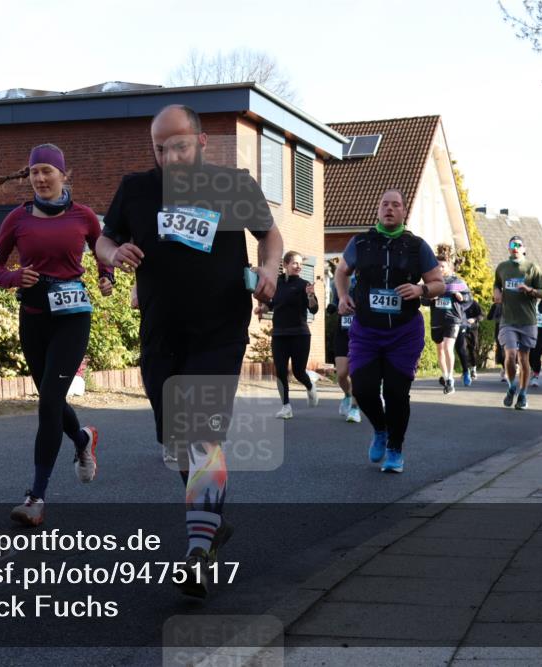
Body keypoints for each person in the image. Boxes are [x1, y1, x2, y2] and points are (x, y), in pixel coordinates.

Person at [95, 104, 284, 598]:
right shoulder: (135, 189)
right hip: (161, 333)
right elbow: (104, 238)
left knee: (199, 432)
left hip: (219, 329)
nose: (169, 156)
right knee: (177, 443)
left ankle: (197, 550)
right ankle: (210, 518)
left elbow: (270, 236)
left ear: (201, 142)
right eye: (160, 147)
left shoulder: (233, 185)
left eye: (178, 144)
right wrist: (114, 254)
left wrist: (268, 270)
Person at [0, 144, 115, 526]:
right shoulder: (18, 218)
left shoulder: (84, 216)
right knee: (49, 395)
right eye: (34, 173)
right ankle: (81, 440)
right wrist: (13, 277)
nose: (41, 179)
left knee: (48, 403)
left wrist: (107, 277)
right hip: (34, 316)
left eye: (47, 171)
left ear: (64, 174)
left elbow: (101, 250)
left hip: (73, 316)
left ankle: (36, 497)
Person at [335, 189, 444, 473]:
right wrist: (343, 296)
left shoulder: (417, 246)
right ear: (378, 209)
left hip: (404, 332)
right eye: (385, 204)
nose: (390, 208)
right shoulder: (361, 242)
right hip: (366, 330)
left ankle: (395, 450)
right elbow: (341, 271)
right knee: (363, 387)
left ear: (404, 211)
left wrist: (421, 289)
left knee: (397, 393)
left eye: (396, 205)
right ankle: (381, 429)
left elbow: (439, 283)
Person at [257, 251, 319, 419]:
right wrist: (261, 309)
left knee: (298, 372)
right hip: (279, 335)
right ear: (284, 265)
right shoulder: (276, 284)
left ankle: (309, 385)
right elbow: (270, 304)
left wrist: (311, 295)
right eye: (294, 263)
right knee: (281, 371)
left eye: (300, 263)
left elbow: (313, 308)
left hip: (300, 334)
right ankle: (286, 406)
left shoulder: (305, 285)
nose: (298, 266)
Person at [494, 236, 542, 410]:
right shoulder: (502, 267)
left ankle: (523, 394)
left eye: (518, 245)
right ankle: (511, 387)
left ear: (524, 248)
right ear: (508, 248)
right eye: (512, 245)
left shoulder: (532, 268)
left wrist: (529, 290)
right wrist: (497, 293)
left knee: (523, 359)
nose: (515, 248)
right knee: (509, 355)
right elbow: (496, 284)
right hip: (508, 320)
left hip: (527, 321)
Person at [425, 256, 471, 395]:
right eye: (437, 266)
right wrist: (430, 298)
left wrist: (462, 298)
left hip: (453, 320)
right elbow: (423, 299)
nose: (439, 269)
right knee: (440, 349)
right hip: (437, 320)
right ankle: (445, 376)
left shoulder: (458, 282)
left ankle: (450, 378)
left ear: (449, 268)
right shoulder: (432, 282)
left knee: (447, 347)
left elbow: (469, 299)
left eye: (442, 266)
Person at [326, 270, 362, 422]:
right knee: (341, 374)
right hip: (343, 331)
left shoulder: (369, 279)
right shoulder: (338, 281)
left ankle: (355, 409)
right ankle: (348, 395)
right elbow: (335, 302)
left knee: (355, 373)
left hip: (362, 333)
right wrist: (332, 307)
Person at [456, 299, 482, 387]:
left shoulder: (473, 303)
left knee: (472, 349)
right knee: (462, 349)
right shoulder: (457, 302)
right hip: (462, 329)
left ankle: (473, 369)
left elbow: (481, 315)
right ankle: (465, 370)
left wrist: (474, 319)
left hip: (472, 330)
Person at [528, 310, 542, 388]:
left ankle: (535, 376)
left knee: (537, 354)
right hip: (529, 328)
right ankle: (532, 369)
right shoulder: (528, 300)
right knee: (530, 354)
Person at [487, 301, 506, 382]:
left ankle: (508, 369)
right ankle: (505, 368)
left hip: (511, 326)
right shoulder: (496, 304)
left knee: (510, 349)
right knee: (501, 350)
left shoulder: (512, 302)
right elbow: (489, 317)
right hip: (499, 328)